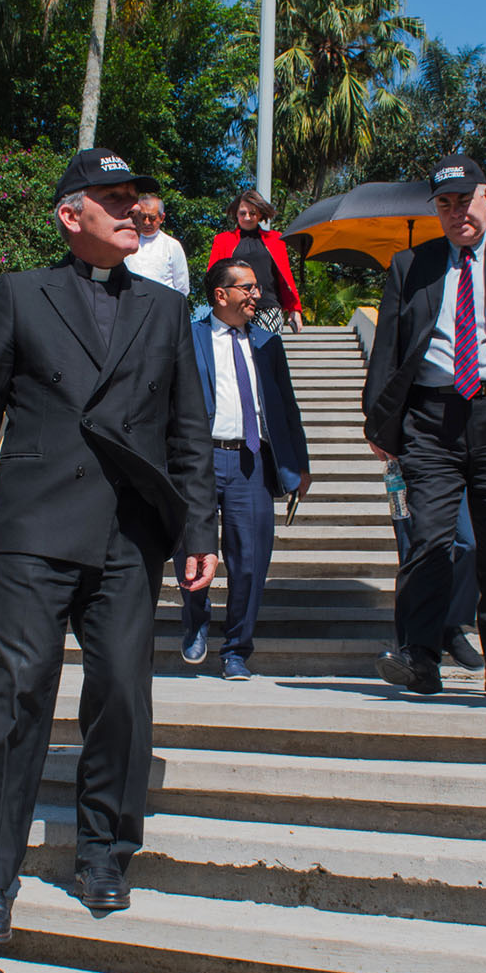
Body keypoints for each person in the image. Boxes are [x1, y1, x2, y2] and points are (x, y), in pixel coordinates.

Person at [0, 147, 218, 946]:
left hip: (129, 537)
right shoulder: (20, 296)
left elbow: (188, 430)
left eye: (136, 199)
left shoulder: (164, 309)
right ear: (70, 215)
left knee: (123, 695)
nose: (133, 211)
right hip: (35, 532)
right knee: (16, 691)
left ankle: (105, 852)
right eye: (113, 199)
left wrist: (199, 528)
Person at [362, 156, 486, 700]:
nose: (456, 210)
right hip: (430, 418)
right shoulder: (410, 265)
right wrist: (378, 422)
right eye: (444, 202)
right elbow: (387, 350)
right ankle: (419, 654)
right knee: (429, 539)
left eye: (465, 199)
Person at [179, 258, 312, 680]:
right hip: (199, 460)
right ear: (221, 295)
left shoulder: (269, 343)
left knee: (251, 561)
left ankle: (236, 649)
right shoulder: (189, 338)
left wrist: (300, 463)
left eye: (257, 288)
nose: (257, 295)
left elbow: (286, 406)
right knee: (192, 552)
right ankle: (196, 620)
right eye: (248, 288)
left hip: (251, 461)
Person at [207, 190, 304, 334]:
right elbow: (213, 276)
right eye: (242, 213)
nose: (247, 217)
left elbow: (285, 278)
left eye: (252, 213)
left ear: (260, 214)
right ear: (236, 214)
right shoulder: (223, 240)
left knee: (267, 353)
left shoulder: (276, 240)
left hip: (269, 308)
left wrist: (294, 309)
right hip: (234, 307)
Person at [124, 193, 191, 296]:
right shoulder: (126, 242)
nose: (147, 222)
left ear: (162, 217)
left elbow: (182, 288)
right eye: (142, 217)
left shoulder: (172, 245)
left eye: (152, 218)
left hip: (162, 306)